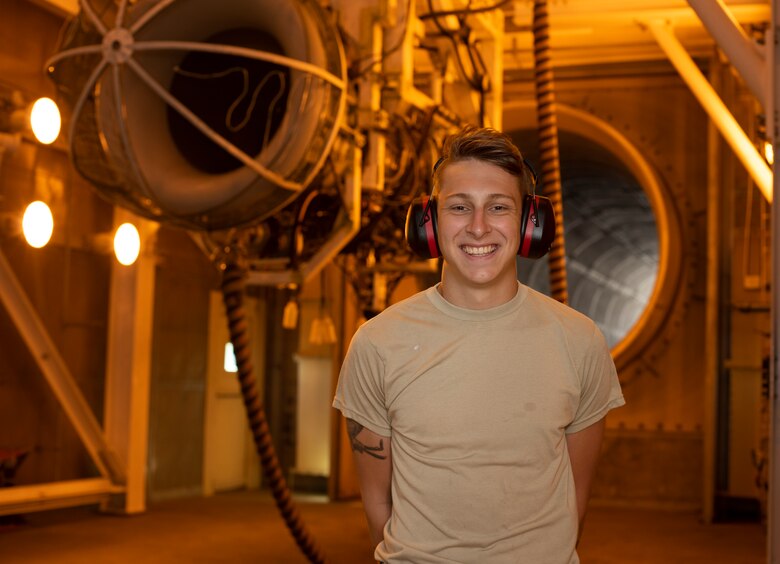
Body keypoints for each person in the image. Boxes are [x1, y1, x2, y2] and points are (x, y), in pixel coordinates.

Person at [332, 125, 625, 563]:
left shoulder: (580, 341)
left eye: (499, 207)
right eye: (459, 206)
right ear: (428, 222)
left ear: (531, 222)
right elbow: (377, 504)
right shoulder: (377, 343)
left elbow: (575, 497)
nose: (478, 226)